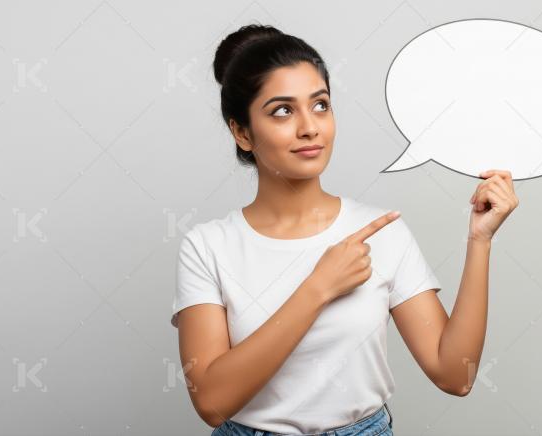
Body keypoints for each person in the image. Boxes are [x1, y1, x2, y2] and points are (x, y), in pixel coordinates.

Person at [171, 23, 519, 436]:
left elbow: (454, 375)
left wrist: (480, 240)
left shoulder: (380, 232)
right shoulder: (209, 246)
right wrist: (319, 287)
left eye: (320, 105)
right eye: (282, 110)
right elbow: (211, 401)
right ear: (242, 132)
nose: (309, 127)